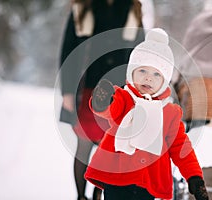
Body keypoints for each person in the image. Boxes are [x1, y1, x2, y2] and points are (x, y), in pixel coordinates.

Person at [84, 28, 209, 200]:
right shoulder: (124, 97)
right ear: (131, 72)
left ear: (164, 81)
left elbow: (181, 147)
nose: (148, 78)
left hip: (148, 182)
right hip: (117, 176)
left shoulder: (169, 112)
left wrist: (194, 177)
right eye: (142, 71)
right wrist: (103, 102)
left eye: (157, 74)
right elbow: (111, 110)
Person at [59, 0, 154, 199]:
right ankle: (80, 196)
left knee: (110, 149)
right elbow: (68, 52)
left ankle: (97, 194)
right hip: (85, 89)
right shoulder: (82, 9)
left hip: (119, 92)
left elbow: (141, 53)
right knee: (83, 146)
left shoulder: (132, 10)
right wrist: (67, 92)